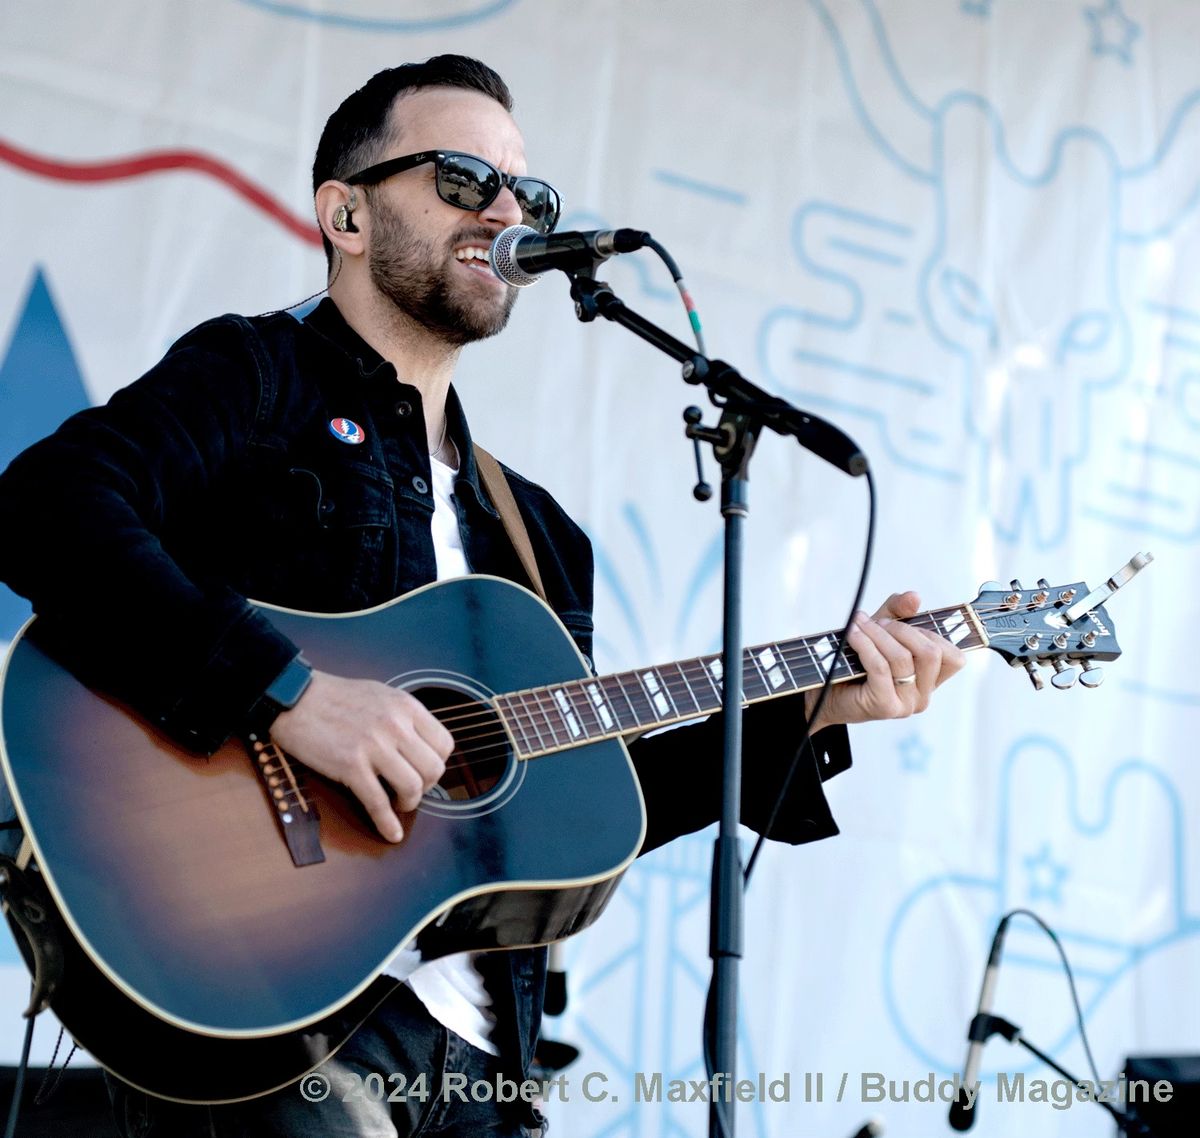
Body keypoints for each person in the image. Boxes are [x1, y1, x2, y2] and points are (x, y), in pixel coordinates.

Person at [0, 55, 964, 1137]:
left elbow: (585, 792)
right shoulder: (257, 376)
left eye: (528, 193)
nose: (507, 209)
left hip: (482, 1057)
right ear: (347, 213)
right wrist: (290, 693)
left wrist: (813, 705)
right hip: (279, 1014)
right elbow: (45, 507)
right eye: (463, 177)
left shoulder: (539, 534)